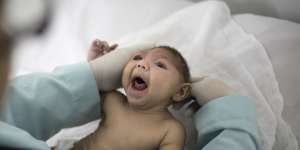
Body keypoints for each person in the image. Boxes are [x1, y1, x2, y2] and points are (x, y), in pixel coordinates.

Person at [0, 1, 260, 150]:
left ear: (180, 91)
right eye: (137, 59)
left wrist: (90, 75)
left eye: (159, 65)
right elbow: (91, 93)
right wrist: (95, 67)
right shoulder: (114, 102)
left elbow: (79, 92)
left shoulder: (169, 129)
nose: (142, 65)